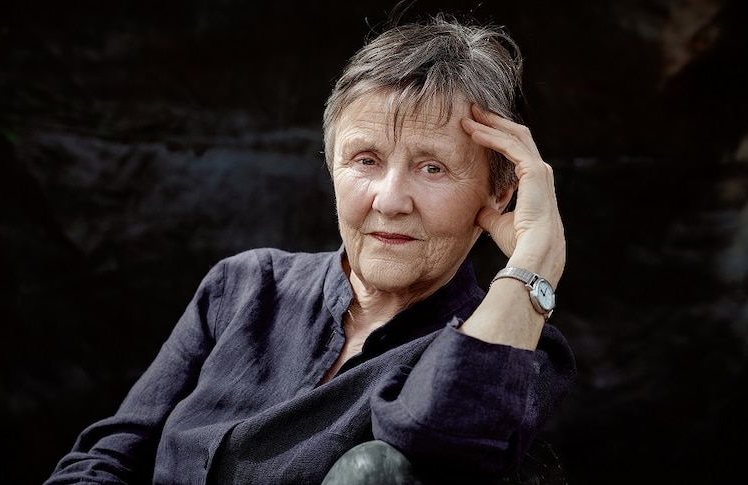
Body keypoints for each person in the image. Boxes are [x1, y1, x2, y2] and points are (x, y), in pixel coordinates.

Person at [44, 12, 576, 485]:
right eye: (365, 160)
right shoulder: (246, 287)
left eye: (432, 167)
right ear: (331, 165)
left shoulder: (517, 348)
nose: (389, 201)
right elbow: (104, 461)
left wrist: (536, 260)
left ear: (498, 191)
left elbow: (441, 447)